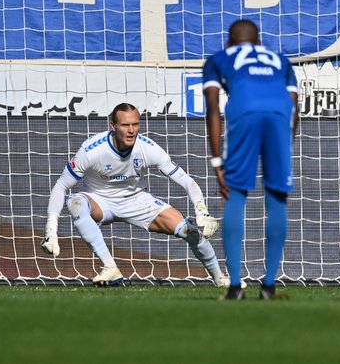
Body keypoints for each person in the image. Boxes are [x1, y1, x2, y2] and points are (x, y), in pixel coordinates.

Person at [41, 103, 225, 286]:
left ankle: (220, 279)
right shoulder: (91, 151)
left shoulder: (147, 148)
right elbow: (61, 185)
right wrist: (51, 230)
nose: (131, 130)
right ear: (112, 126)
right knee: (75, 202)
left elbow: (185, 180)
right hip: (100, 201)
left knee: (190, 231)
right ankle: (110, 268)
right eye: (125, 125)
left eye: (135, 124)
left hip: (137, 200)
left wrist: (202, 211)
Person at [203, 19, 298, 301]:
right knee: (277, 196)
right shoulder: (279, 59)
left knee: (234, 194)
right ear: (259, 42)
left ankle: (234, 287)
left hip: (244, 110)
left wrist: (217, 161)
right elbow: (294, 105)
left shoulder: (219, 58)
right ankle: (268, 286)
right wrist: (283, 147)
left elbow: (212, 108)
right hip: (281, 114)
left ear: (228, 43)